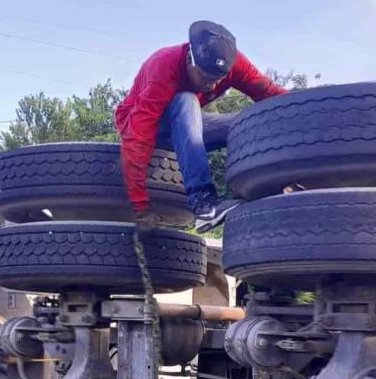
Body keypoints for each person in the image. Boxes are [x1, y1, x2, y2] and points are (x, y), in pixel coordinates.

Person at [115, 20, 287, 231]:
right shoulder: (163, 67)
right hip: (148, 129)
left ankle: (254, 190)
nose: (211, 85)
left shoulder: (235, 65)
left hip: (186, 127)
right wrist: (139, 203)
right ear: (190, 59)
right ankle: (204, 204)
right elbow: (137, 137)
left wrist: (314, 109)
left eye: (218, 79)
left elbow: (270, 94)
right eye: (205, 77)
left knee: (245, 122)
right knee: (186, 100)